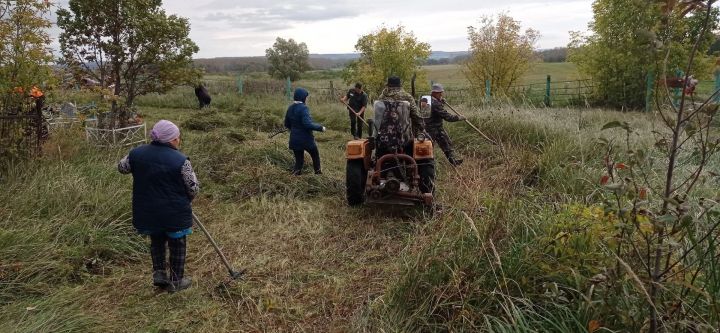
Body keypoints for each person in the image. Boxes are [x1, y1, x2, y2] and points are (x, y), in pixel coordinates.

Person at [117, 120, 198, 293]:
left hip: (148, 210)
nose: (179, 140)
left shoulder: (136, 153)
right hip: (174, 211)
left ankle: (159, 274)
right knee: (177, 244)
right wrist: (188, 199)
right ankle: (176, 281)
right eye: (177, 137)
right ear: (171, 140)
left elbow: (122, 168)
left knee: (157, 240)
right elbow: (193, 187)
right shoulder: (181, 160)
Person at [376, 76, 433, 193]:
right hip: (404, 139)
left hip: (383, 139)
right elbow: (416, 116)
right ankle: (422, 185)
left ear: (388, 85)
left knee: (377, 151)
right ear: (400, 85)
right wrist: (422, 128)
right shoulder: (407, 97)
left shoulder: (381, 97)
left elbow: (378, 116)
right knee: (421, 148)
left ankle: (383, 171)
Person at [284, 88, 326, 175]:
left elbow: (286, 124)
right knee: (315, 155)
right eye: (306, 97)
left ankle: (295, 177)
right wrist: (321, 128)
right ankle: (318, 174)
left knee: (299, 162)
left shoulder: (290, 108)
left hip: (294, 139)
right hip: (306, 139)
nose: (307, 99)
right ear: (302, 97)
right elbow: (307, 124)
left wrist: (295, 129)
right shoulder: (304, 108)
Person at [427, 83, 464, 166]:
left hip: (426, 129)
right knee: (446, 144)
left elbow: (433, 111)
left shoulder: (426, 99)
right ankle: (452, 161)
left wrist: (440, 101)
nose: (441, 94)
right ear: (435, 93)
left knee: (431, 147)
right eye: (440, 93)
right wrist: (459, 118)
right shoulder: (435, 104)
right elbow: (447, 117)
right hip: (435, 128)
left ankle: (452, 161)